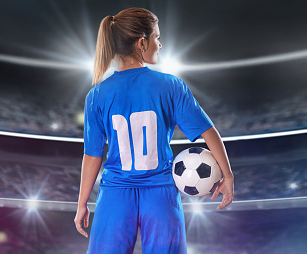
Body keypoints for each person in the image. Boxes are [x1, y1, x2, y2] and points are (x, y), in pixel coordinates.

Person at [73, 7, 235, 254]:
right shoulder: (170, 86)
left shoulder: (96, 95)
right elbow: (208, 132)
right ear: (142, 42)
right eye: (157, 38)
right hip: (160, 193)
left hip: (115, 193)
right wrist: (228, 176)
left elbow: (92, 155)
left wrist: (82, 203)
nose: (160, 45)